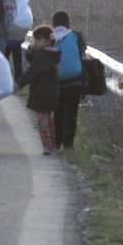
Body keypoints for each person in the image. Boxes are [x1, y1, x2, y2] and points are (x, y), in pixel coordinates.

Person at [13, 26, 61, 155]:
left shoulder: (42, 56)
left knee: (41, 119)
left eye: (38, 40)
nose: (35, 43)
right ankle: (53, 142)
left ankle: (47, 145)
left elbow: (33, 70)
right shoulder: (52, 54)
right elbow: (34, 61)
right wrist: (31, 50)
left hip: (42, 92)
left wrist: (18, 84)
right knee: (48, 118)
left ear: (48, 41)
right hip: (52, 91)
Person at [52, 10, 86, 150]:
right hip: (75, 81)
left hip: (57, 81)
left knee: (58, 112)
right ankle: (69, 143)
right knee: (71, 112)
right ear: (68, 22)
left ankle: (57, 141)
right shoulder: (75, 35)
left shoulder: (50, 36)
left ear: (53, 23)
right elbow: (81, 52)